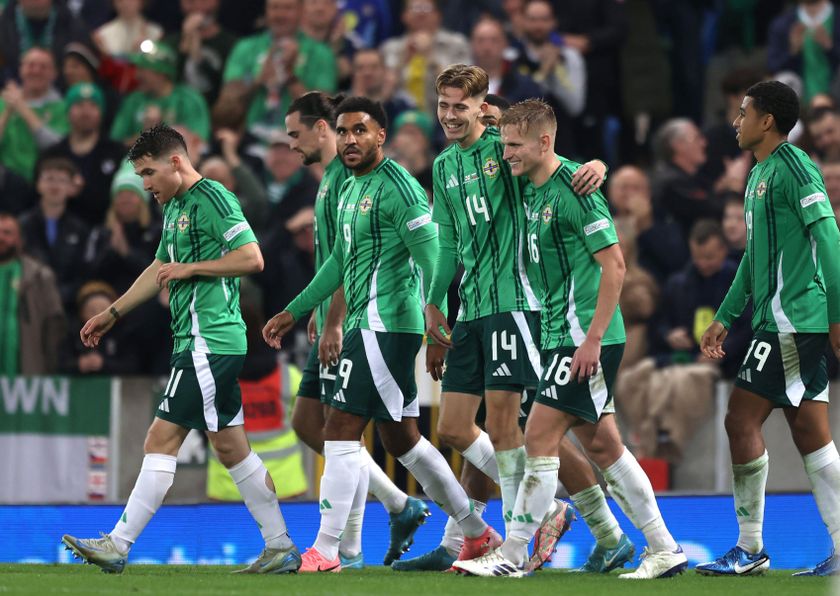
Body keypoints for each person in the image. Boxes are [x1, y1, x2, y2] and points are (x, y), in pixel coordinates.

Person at [262, 96, 500, 573]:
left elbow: (436, 257)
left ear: (380, 137)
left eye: (360, 131)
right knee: (401, 439)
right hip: (369, 324)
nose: (351, 140)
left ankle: (328, 550)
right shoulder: (350, 185)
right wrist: (296, 309)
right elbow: (340, 262)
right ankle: (476, 534)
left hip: (387, 324)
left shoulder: (400, 189)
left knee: (340, 429)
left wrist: (437, 324)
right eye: (345, 131)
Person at [453, 98, 687, 579]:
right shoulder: (531, 188)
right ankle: (664, 548)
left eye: (515, 145)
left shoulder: (575, 191)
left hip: (585, 336)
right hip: (562, 333)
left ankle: (515, 554)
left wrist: (593, 340)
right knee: (604, 447)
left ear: (543, 142)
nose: (506, 154)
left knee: (538, 434)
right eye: (504, 144)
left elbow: (615, 266)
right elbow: (496, 139)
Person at [419, 65, 633, 574]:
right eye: (443, 105)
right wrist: (435, 301)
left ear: (481, 106)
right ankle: (549, 511)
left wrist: (596, 164)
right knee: (453, 427)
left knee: (518, 425)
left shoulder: (503, 147)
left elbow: (549, 159)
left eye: (460, 106)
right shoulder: (444, 166)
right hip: (471, 306)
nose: (450, 115)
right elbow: (447, 240)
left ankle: (552, 529)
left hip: (519, 301)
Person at [61, 124, 302, 575]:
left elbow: (252, 258)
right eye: (139, 176)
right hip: (202, 339)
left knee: (161, 438)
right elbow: (159, 269)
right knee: (231, 449)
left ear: (175, 161)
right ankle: (280, 546)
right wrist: (111, 313)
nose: (145, 184)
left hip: (208, 339)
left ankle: (118, 543)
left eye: (149, 172)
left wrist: (191, 268)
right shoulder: (174, 207)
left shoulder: (213, 198)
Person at [697, 81, 840, 577]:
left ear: (767, 121)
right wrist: (724, 315)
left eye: (743, 112)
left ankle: (750, 547)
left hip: (792, 321)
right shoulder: (759, 173)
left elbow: (830, 239)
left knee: (740, 420)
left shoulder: (797, 168)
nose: (736, 121)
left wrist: (838, 315)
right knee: (810, 433)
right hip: (778, 320)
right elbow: (753, 262)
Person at [282, 91, 430, 568]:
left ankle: (343, 548)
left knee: (346, 430)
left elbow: (360, 260)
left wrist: (334, 319)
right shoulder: (334, 182)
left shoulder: (357, 179)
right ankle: (398, 507)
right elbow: (338, 259)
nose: (290, 145)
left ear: (319, 128)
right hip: (343, 316)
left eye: (295, 134)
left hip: (367, 321)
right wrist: (309, 306)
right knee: (316, 425)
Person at [42, 82, 126, 227]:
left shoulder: (117, 153)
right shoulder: (53, 154)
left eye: (93, 106)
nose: (86, 112)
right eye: (79, 105)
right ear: (68, 111)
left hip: (104, 230)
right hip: (60, 231)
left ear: (101, 112)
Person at [18, 156, 89, 310]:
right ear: (38, 184)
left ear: (72, 188)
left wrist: (59, 295)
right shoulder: (22, 225)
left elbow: (82, 274)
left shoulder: (80, 229)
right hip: (27, 303)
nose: (55, 185)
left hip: (66, 305)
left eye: (62, 180)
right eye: (49, 178)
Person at [110, 41, 211, 146]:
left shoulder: (188, 100)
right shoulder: (134, 100)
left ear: (161, 72)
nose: (136, 75)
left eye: (142, 69)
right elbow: (116, 145)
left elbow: (199, 144)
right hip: (135, 162)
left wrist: (159, 133)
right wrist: (147, 134)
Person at [0, 211, 64, 375]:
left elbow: (54, 324)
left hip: (29, 369)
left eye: (7, 233)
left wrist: (50, 366)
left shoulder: (40, 276)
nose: (1, 238)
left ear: (20, 240)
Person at [0, 47, 68, 181]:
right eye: (30, 65)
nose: (36, 71)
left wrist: (23, 108)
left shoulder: (63, 107)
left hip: (46, 181)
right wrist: (7, 112)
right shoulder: (3, 103)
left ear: (54, 73)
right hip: (8, 182)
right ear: (21, 69)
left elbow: (56, 148)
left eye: (43, 67)